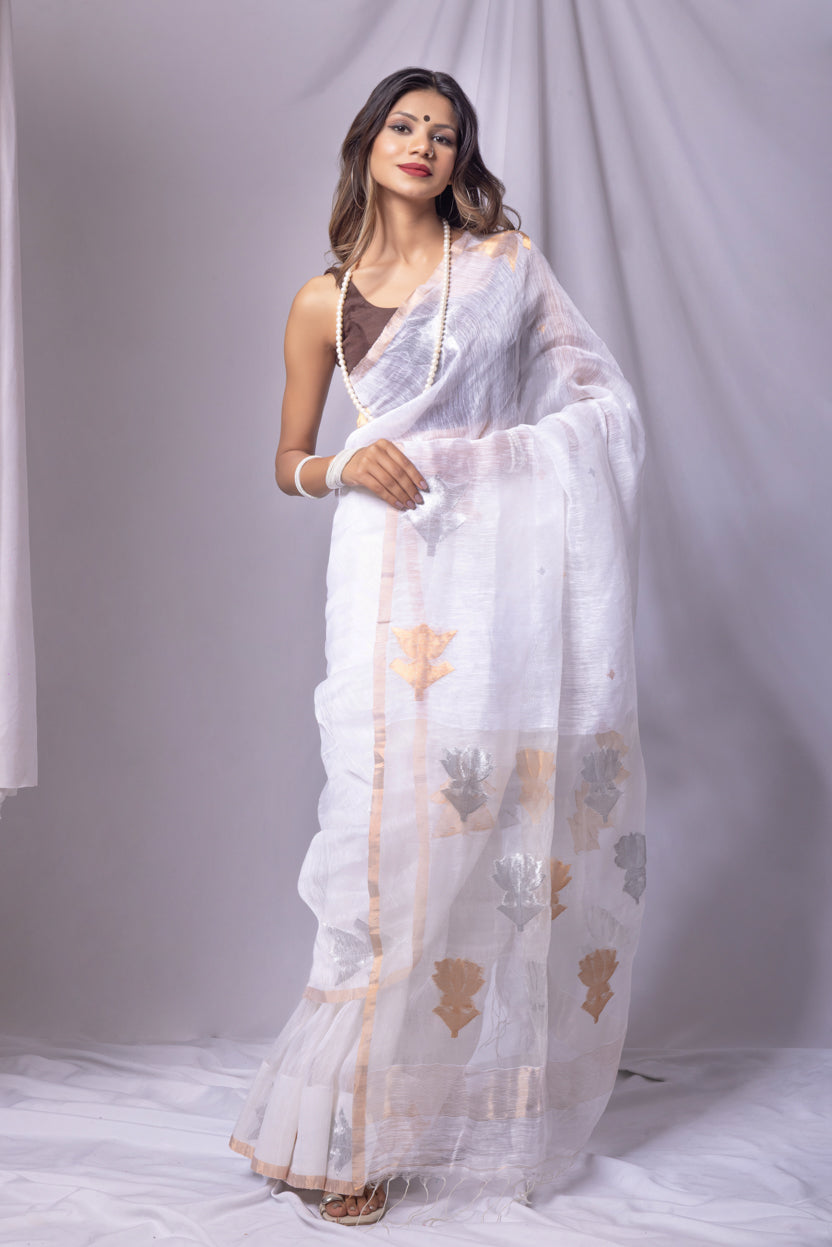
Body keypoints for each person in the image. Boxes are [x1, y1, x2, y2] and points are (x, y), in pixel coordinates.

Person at [229, 67, 647, 1226]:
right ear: (368, 143)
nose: (422, 143)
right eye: (404, 125)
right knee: (385, 844)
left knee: (495, 830)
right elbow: (287, 458)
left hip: (499, 589)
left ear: (462, 160)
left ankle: (472, 1114)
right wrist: (339, 465)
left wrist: (479, 460)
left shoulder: (505, 267)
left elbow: (600, 402)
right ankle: (339, 1128)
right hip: (381, 579)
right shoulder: (321, 300)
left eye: (445, 133)